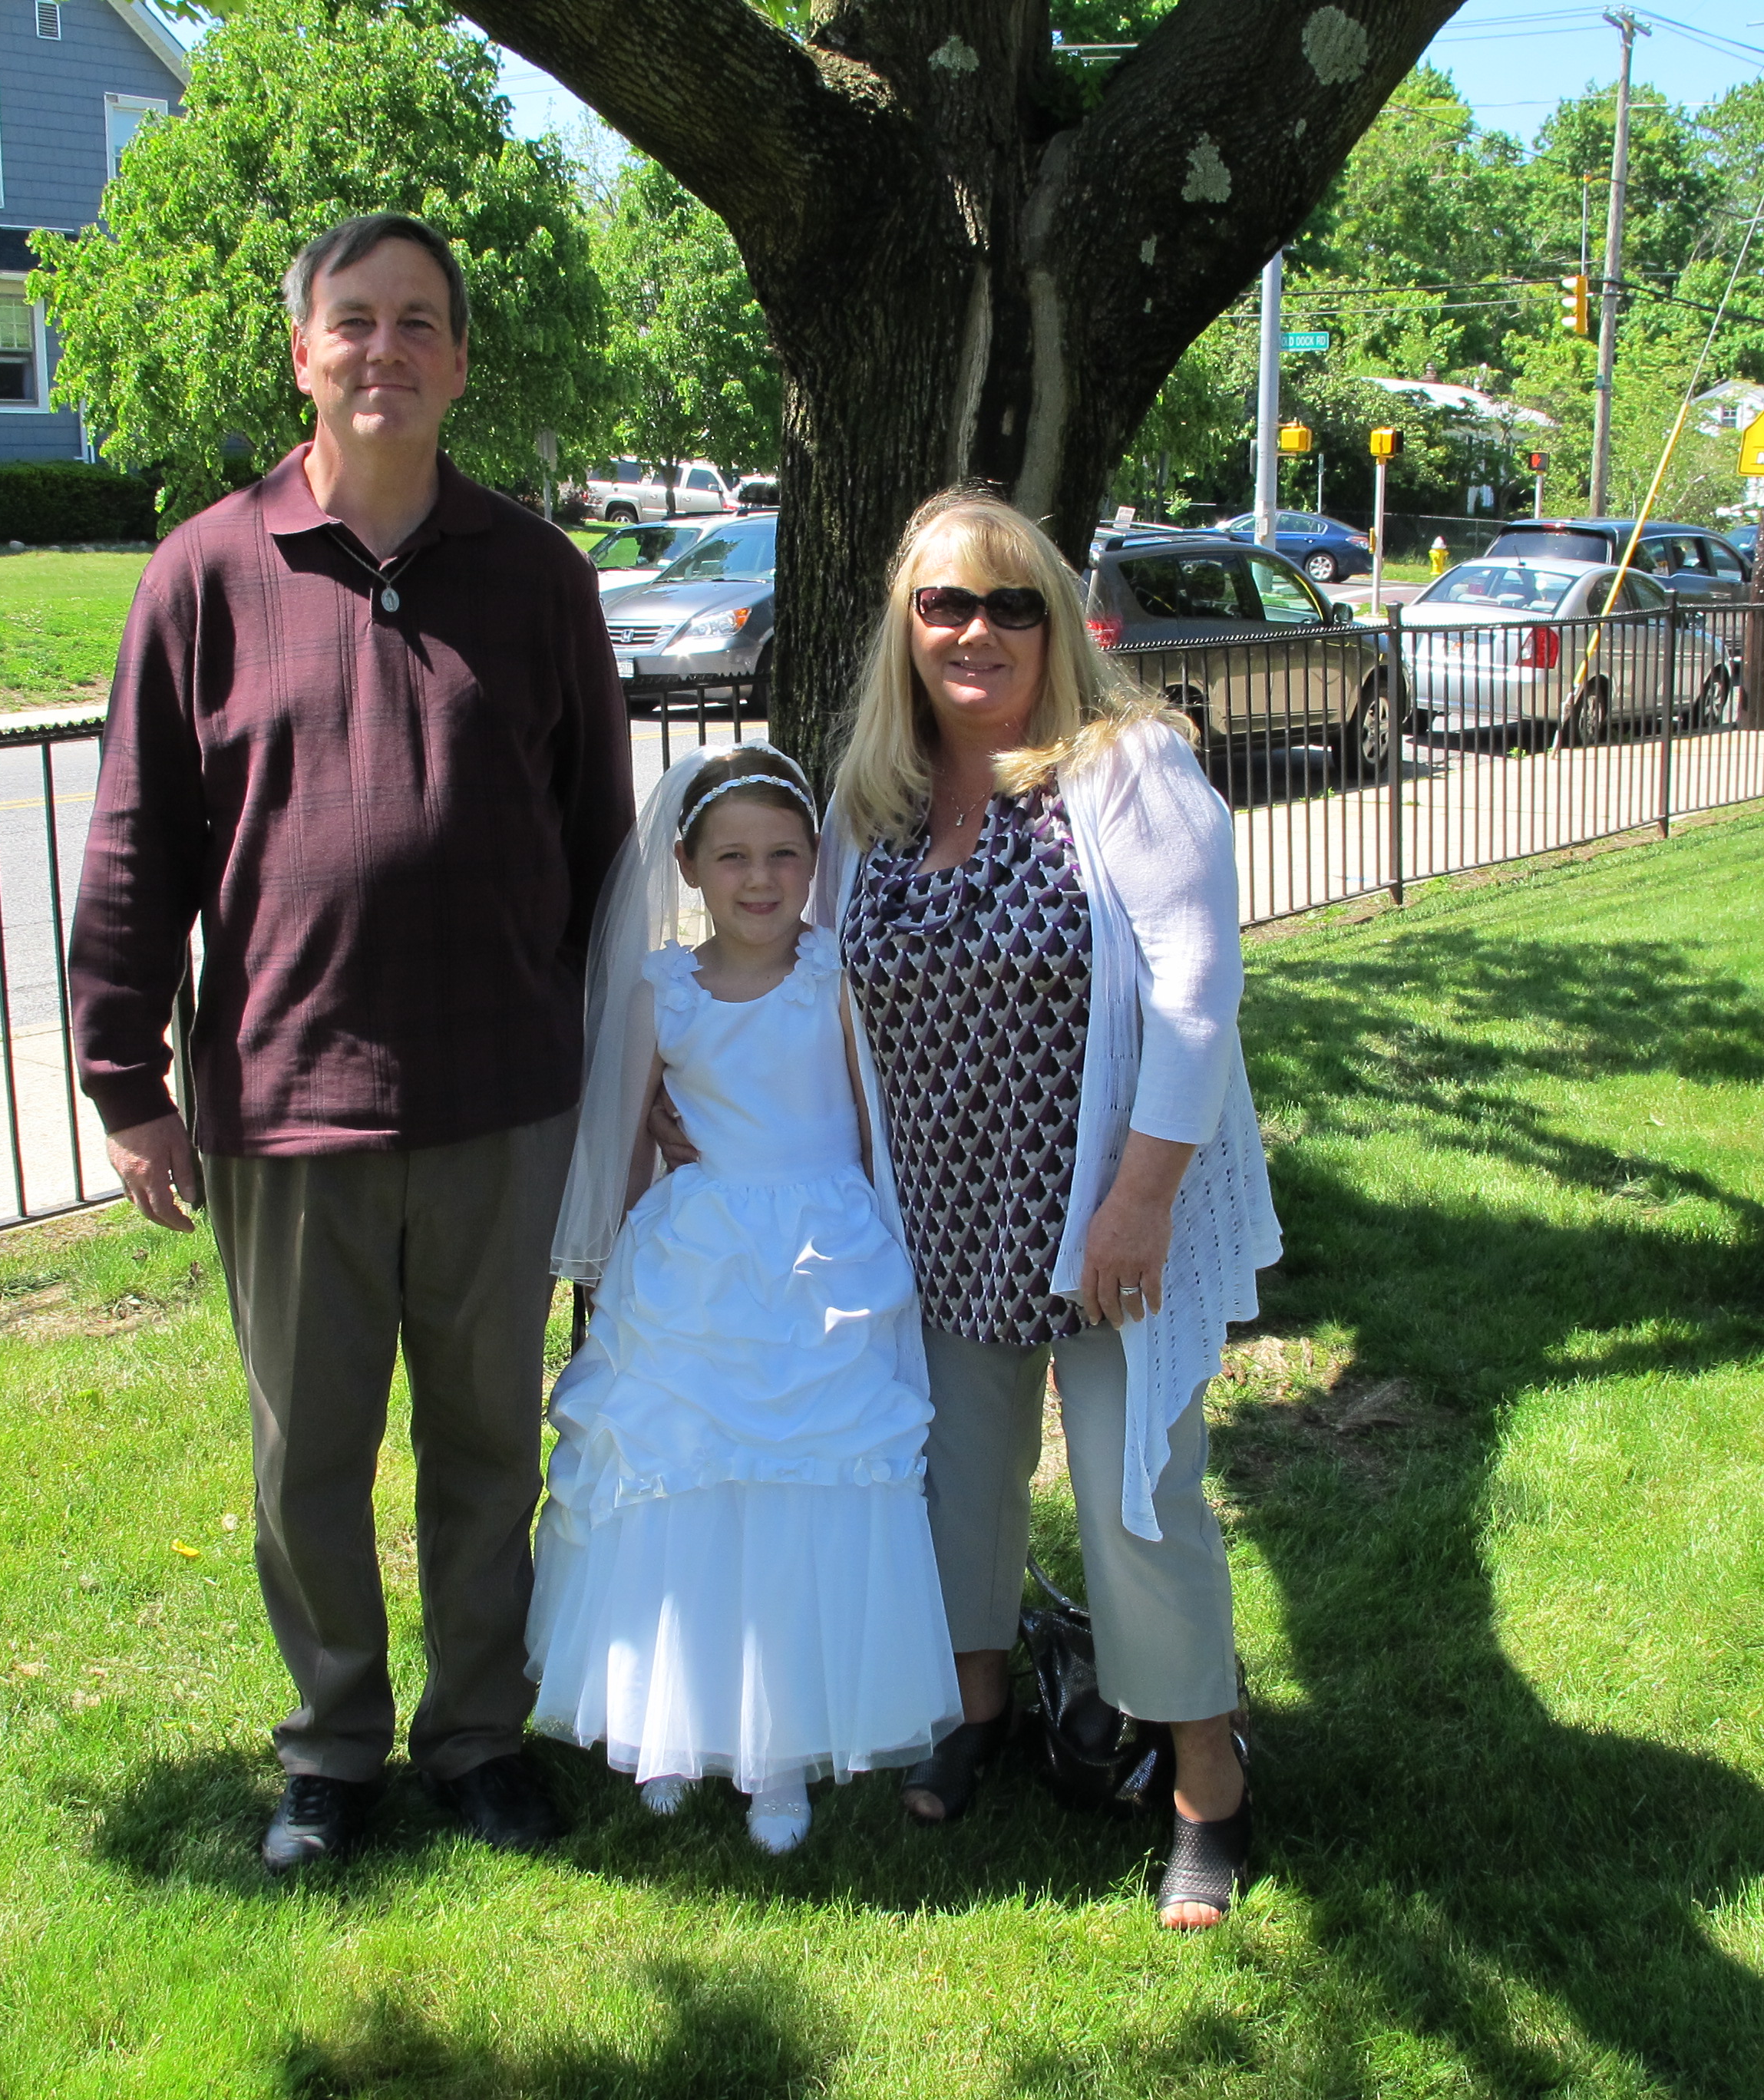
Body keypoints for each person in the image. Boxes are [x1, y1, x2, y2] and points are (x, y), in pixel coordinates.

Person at [67, 213, 632, 1872]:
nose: (386, 349)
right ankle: (330, 1747)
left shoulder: (541, 577)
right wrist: (126, 1080)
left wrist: (624, 1076)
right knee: (307, 1456)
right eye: (356, 321)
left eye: (418, 322)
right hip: (284, 1100)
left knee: (488, 1445)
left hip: (500, 1103)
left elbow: (601, 851)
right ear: (304, 352)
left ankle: (478, 1734)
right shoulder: (204, 574)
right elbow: (135, 846)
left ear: (458, 364)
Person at [827, 489, 1283, 1930]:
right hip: (938, 1223)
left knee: (1137, 1500)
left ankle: (1206, 1780)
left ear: (1058, 625)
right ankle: (978, 1713)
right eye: (945, 605)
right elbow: (819, 996)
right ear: (906, 629)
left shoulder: (1127, 768)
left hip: (1101, 1219)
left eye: (1012, 604)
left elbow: (1199, 998)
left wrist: (1140, 1200)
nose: (978, 632)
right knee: (954, 1485)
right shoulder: (874, 802)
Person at [529, 744, 961, 1853]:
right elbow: (626, 1138)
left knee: (803, 1486)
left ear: (816, 861)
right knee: (684, 1483)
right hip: (699, 1263)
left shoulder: (836, 977)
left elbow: (875, 1123)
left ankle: (781, 1750)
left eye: (783, 855)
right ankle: (674, 1721)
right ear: (687, 866)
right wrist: (615, 1270)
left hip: (822, 1261)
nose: (759, 879)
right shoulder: (662, 989)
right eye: (732, 858)